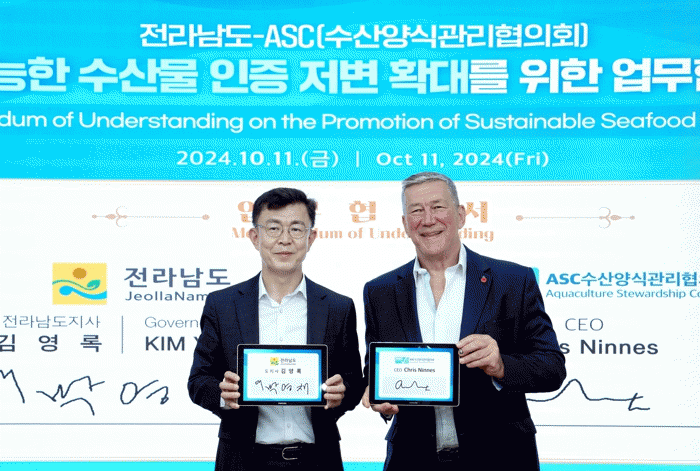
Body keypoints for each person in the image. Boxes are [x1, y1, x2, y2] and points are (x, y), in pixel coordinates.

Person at [361, 172, 566, 471]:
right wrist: (380, 397)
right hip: (413, 458)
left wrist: (501, 365)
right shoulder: (381, 291)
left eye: (438, 207)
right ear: (405, 224)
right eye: (416, 210)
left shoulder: (512, 281)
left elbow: (552, 367)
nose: (428, 219)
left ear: (460, 215)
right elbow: (375, 369)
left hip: (500, 456)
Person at [188, 187, 363, 471]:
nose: (285, 239)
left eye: (296, 229)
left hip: (318, 460)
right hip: (243, 460)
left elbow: (353, 381)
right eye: (273, 228)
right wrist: (222, 394)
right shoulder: (223, 305)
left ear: (311, 238)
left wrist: (342, 393)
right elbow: (198, 380)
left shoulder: (337, 307)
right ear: (255, 237)